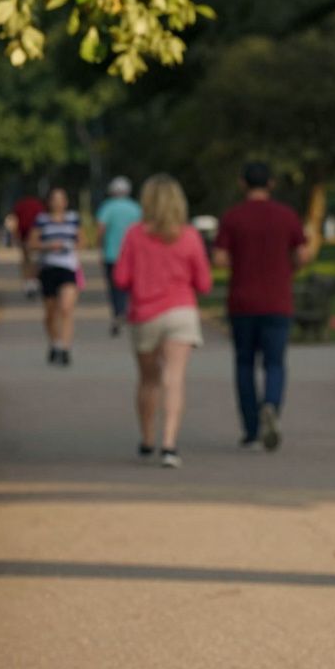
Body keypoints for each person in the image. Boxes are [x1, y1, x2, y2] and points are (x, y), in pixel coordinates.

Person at [113, 175, 212, 469]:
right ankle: (169, 445)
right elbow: (204, 283)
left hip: (145, 314)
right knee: (174, 378)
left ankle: (147, 439)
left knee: (148, 379)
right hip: (181, 312)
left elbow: (120, 278)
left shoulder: (134, 235)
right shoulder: (190, 236)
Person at [213, 162, 314, 450]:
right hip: (278, 301)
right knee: (275, 362)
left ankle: (251, 429)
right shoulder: (286, 216)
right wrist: (287, 266)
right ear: (271, 184)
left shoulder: (233, 217)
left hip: (242, 302)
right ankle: (271, 405)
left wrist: (242, 262)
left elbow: (219, 259)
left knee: (244, 363)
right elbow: (303, 254)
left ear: (242, 184)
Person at [28, 187, 83, 366]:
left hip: (68, 267)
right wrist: (48, 246)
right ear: (49, 202)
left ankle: (65, 348)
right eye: (54, 199)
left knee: (66, 308)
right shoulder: (42, 220)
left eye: (61, 198)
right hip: (48, 267)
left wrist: (72, 245)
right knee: (51, 312)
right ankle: (55, 343)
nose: (58, 202)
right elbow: (32, 243)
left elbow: (82, 240)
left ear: (66, 202)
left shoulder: (73, 218)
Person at [97, 176, 143, 337]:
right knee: (132, 285)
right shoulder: (136, 208)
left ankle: (118, 313)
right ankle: (132, 311)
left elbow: (101, 229)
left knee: (115, 286)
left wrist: (99, 247)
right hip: (134, 255)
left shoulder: (107, 207)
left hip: (112, 253)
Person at [11, 193, 45, 299]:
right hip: (34, 237)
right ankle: (33, 282)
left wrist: (15, 235)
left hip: (24, 236)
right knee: (35, 261)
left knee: (26, 260)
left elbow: (15, 222)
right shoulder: (39, 205)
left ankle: (27, 283)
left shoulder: (20, 205)